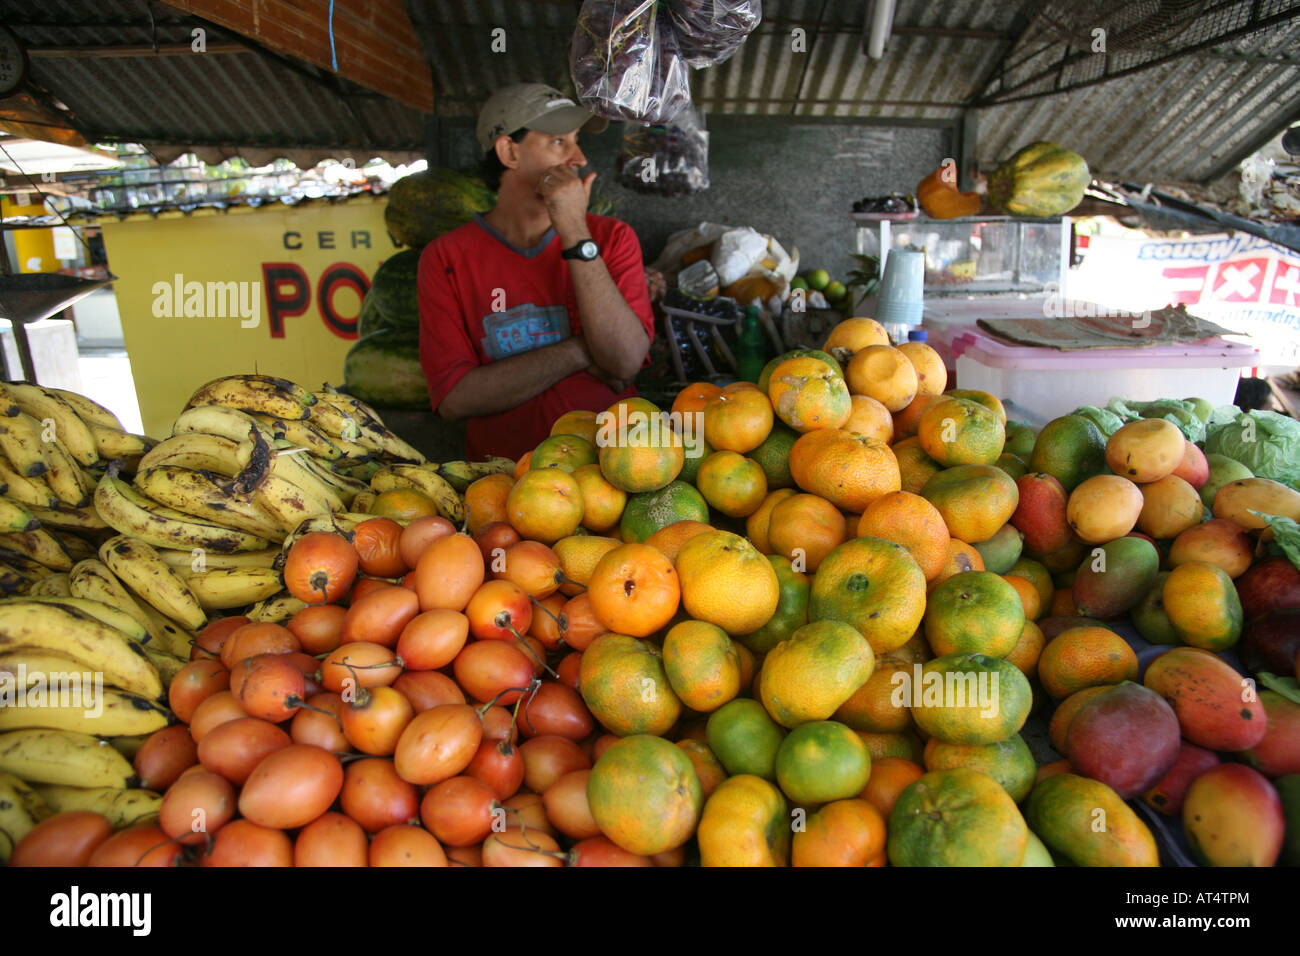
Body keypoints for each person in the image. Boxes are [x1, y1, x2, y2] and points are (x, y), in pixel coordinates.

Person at [418, 83, 655, 461]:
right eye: (559, 142)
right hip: (503, 486)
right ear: (509, 152)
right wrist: (582, 349)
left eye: (577, 142)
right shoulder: (445, 258)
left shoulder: (612, 239)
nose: (578, 158)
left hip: (612, 476)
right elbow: (454, 398)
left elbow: (624, 360)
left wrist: (575, 231)